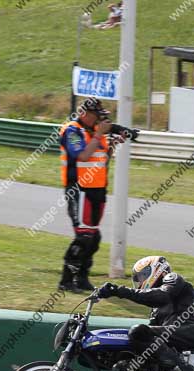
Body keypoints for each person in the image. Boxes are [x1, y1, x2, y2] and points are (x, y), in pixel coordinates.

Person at [97, 256, 194, 371]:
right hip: (172, 335)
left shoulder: (173, 279)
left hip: (191, 330)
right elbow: (148, 335)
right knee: (139, 336)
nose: (141, 281)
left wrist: (120, 291)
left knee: (137, 330)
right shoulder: (155, 307)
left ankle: (185, 370)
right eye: (139, 278)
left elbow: (162, 296)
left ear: (157, 270)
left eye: (143, 275)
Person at [57, 98, 113, 292]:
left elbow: (101, 161)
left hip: (97, 190)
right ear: (85, 114)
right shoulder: (72, 131)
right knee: (84, 237)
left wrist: (111, 145)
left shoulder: (96, 134)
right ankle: (66, 280)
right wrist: (98, 135)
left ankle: (82, 278)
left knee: (94, 238)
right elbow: (81, 156)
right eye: (97, 115)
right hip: (79, 189)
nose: (100, 119)